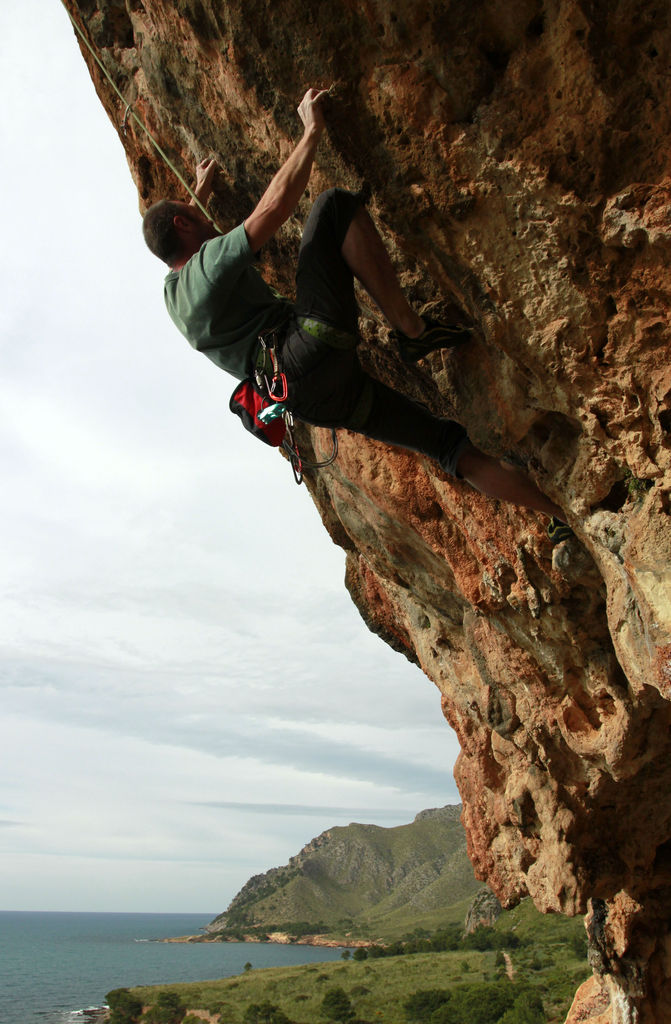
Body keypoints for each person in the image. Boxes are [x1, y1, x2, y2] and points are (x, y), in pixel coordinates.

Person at [142, 87, 569, 534]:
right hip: (304, 350)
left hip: (311, 400)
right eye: (191, 215)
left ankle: (559, 517)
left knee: (446, 445)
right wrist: (311, 131)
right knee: (332, 208)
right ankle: (412, 330)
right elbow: (270, 210)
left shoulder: (176, 294)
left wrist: (196, 197)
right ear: (183, 225)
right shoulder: (205, 269)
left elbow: (191, 244)